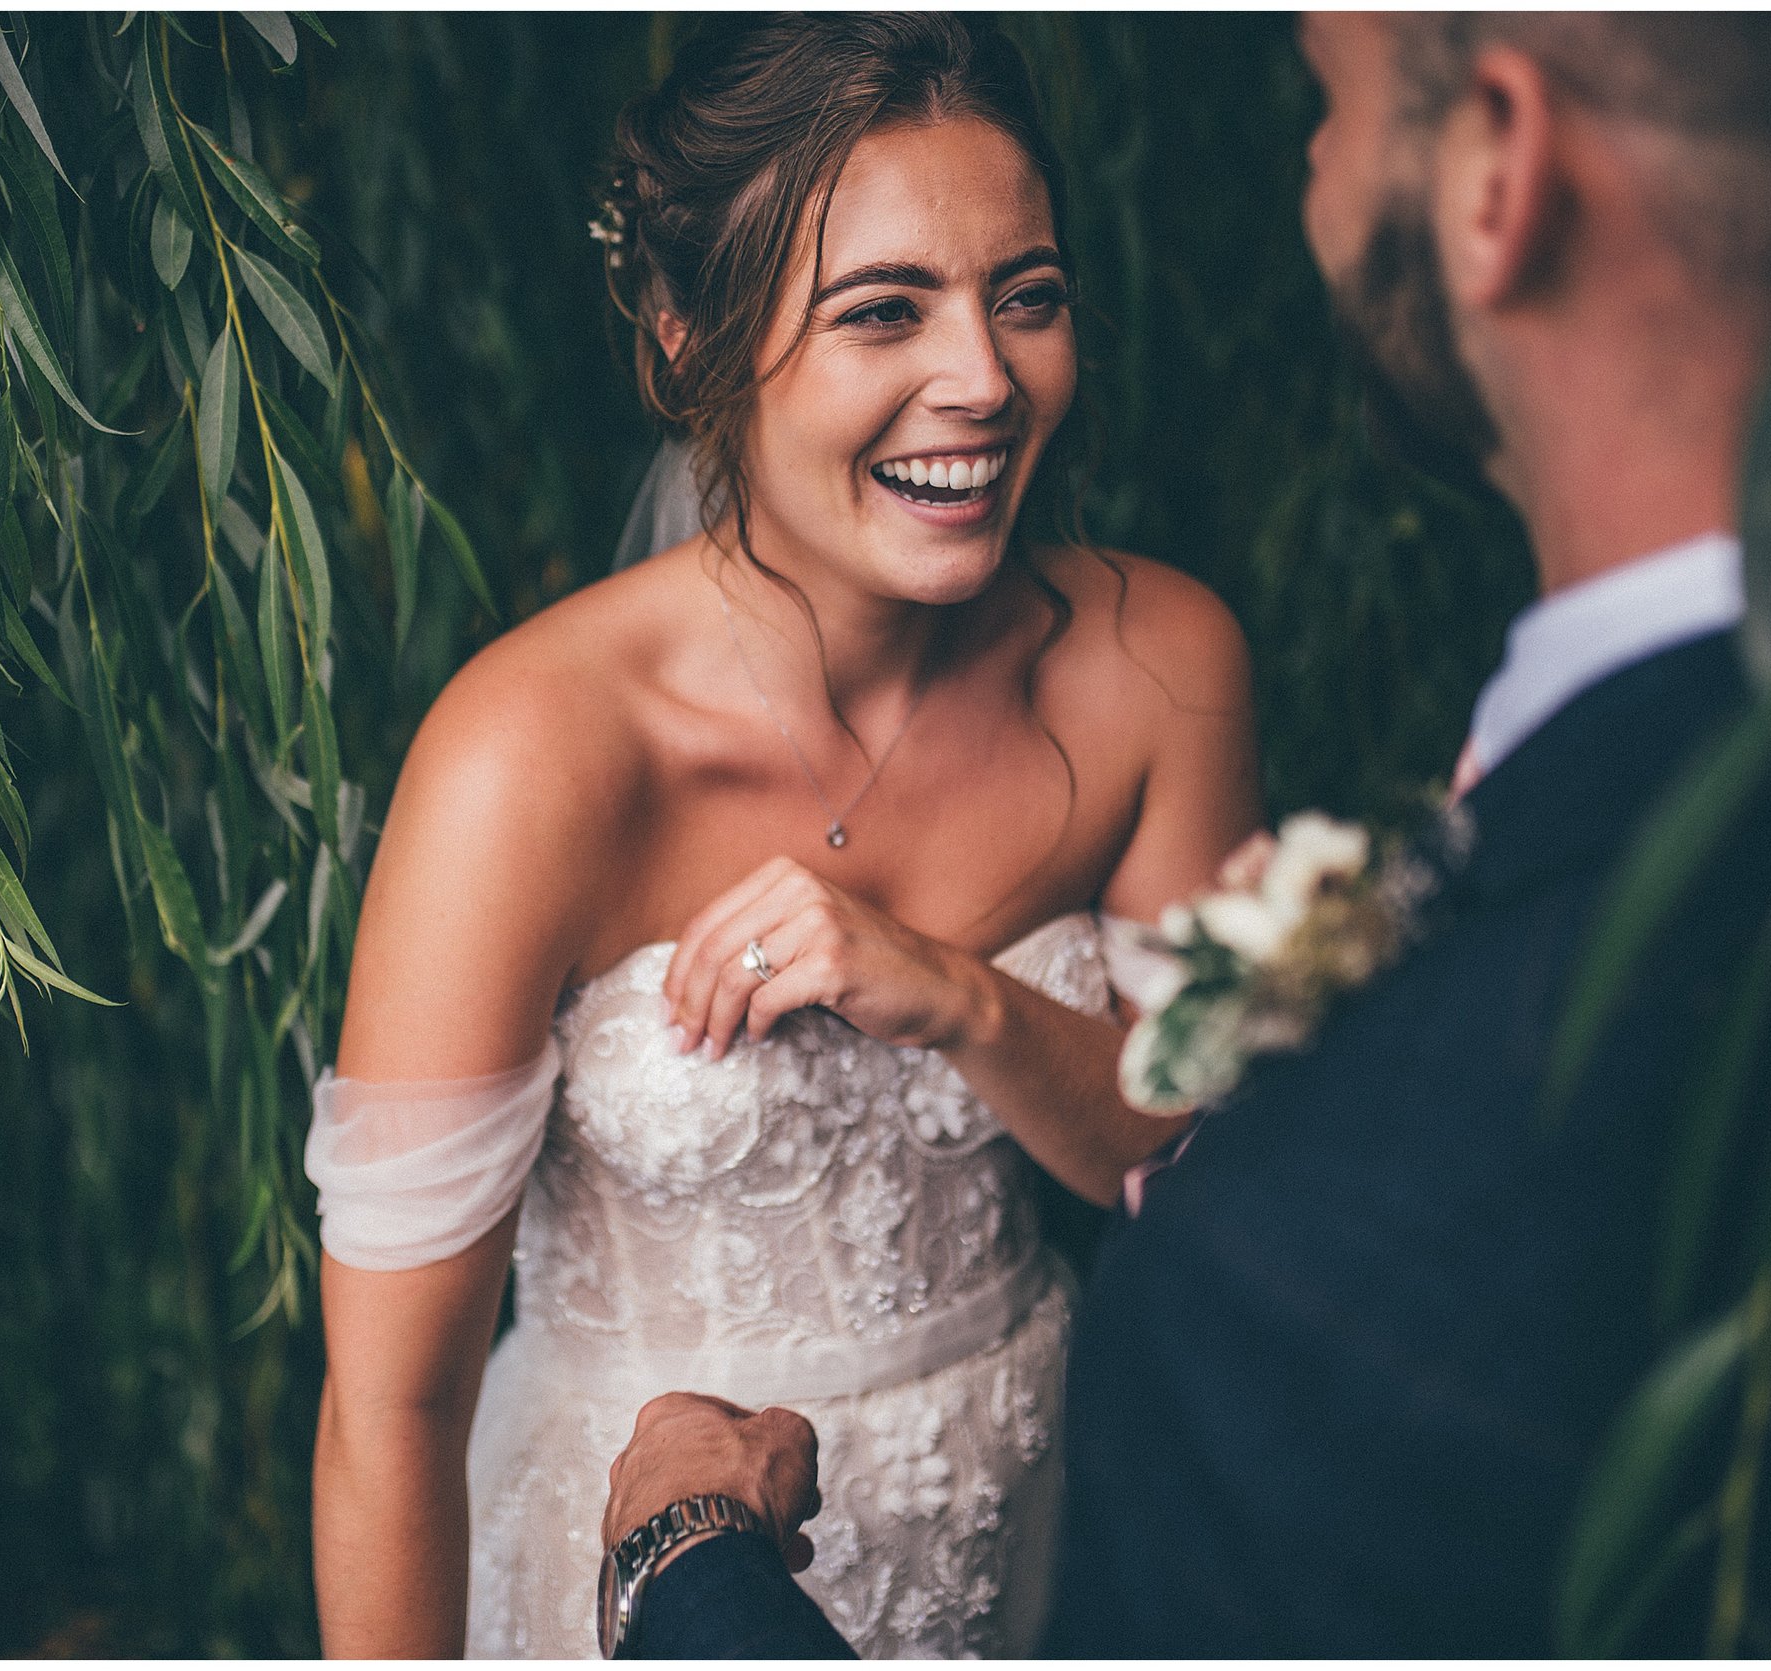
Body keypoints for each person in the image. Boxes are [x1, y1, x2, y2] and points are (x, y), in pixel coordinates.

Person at [601, 10, 1771, 1657]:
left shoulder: (1312, 1278)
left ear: (1499, 163)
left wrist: (682, 1563)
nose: (1312, 182)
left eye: (1324, 104)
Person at [304, 14, 1261, 1658]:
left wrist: (959, 995)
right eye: (882, 311)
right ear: (687, 343)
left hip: (1017, 1518)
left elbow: (1202, 1172)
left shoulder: (1158, 669)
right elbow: (389, 1415)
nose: (982, 376)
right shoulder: (529, 757)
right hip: (622, 1582)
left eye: (1024, 295)